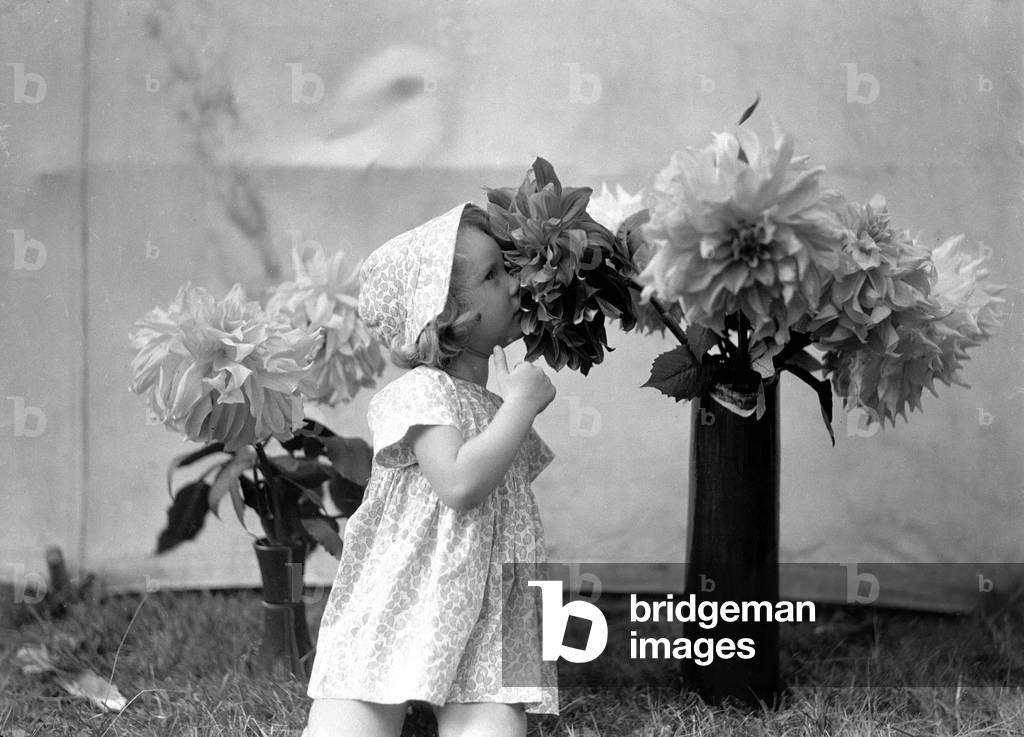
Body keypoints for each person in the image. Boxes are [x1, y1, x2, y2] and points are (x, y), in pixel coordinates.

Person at [303, 202, 559, 737]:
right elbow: (460, 484)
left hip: (488, 619)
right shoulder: (421, 392)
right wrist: (523, 404)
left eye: (508, 269)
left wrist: (511, 404)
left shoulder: (492, 405)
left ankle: (469, 704)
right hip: (403, 604)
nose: (515, 285)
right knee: (348, 725)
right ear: (443, 315)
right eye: (493, 275)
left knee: (493, 728)